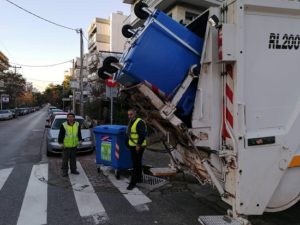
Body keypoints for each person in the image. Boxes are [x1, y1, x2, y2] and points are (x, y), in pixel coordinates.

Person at [126, 109, 147, 190]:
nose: (129, 116)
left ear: (135, 114)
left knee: (135, 164)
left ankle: (132, 183)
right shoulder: (131, 121)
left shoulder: (139, 122)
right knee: (137, 163)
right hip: (133, 146)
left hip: (138, 147)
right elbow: (130, 134)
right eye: (128, 115)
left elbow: (142, 134)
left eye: (131, 114)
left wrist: (138, 145)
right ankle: (139, 179)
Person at [58, 112, 82, 177]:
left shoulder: (77, 124)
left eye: (72, 117)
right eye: (69, 117)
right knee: (65, 160)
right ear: (67, 118)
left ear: (74, 118)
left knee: (73, 159)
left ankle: (73, 170)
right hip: (66, 146)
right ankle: (65, 172)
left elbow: (79, 133)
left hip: (74, 145)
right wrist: (61, 143)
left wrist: (80, 140)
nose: (71, 118)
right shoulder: (64, 125)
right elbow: (61, 135)